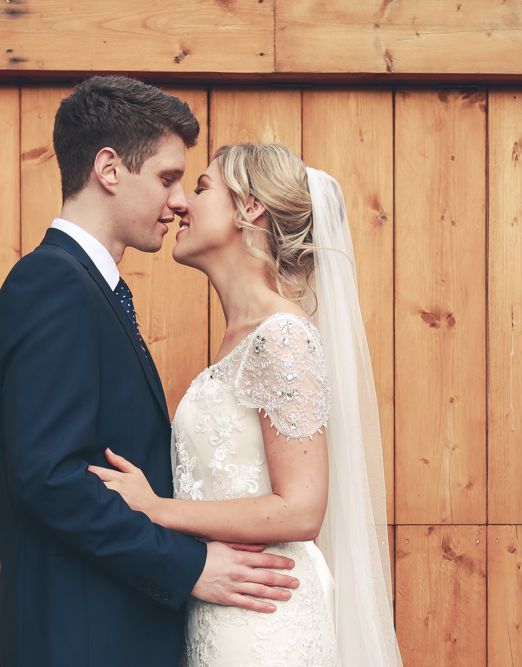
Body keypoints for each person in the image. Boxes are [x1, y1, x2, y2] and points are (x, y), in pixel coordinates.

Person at [0, 77, 300, 667]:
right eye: (167, 178)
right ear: (109, 169)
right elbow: (48, 477)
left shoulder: (89, 289)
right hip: (80, 640)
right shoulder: (55, 283)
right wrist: (190, 566)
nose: (181, 200)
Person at [88, 143, 403, 665]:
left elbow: (301, 508)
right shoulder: (238, 341)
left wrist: (157, 509)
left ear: (250, 207)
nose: (181, 203)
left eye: (203, 187)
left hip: (267, 621)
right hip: (222, 610)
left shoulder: (280, 337)